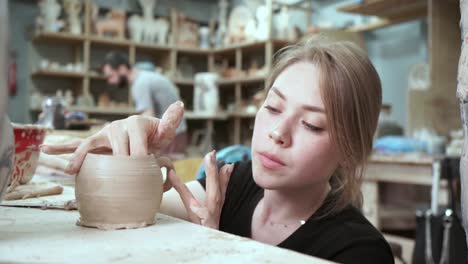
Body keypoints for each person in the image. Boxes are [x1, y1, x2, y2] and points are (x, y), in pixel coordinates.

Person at [42, 37, 394, 263]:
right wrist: (128, 159)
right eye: (272, 108)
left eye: (312, 125)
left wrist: (212, 251)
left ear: (351, 150)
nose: (277, 133)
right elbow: (123, 212)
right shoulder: (234, 183)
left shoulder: (358, 251)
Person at [102, 51, 188, 155]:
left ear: (122, 69)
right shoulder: (145, 77)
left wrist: (120, 128)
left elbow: (147, 117)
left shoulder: (140, 83)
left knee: (164, 168)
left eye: (111, 76)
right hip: (176, 131)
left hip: (171, 136)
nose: (110, 82)